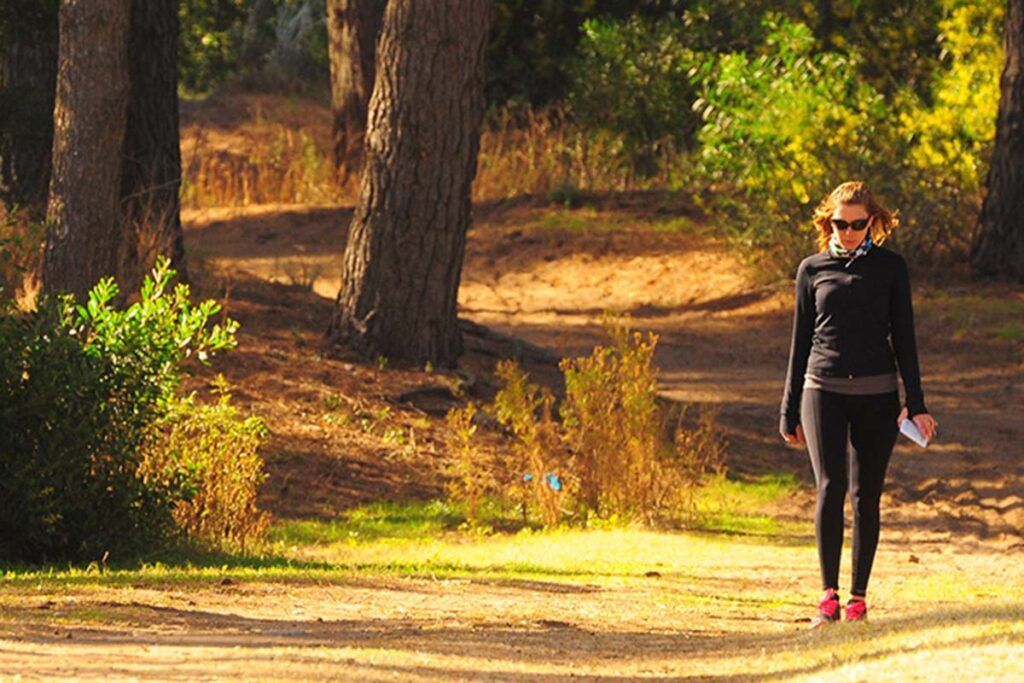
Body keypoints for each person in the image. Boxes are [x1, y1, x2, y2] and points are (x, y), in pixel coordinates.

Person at [778, 181, 937, 628]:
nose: (847, 232)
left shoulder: (891, 268)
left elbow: (905, 337)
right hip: (821, 389)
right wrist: (789, 408)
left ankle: (858, 600)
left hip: (878, 395)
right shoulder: (811, 269)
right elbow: (799, 342)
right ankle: (827, 597)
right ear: (827, 221)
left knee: (867, 495)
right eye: (839, 223)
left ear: (873, 222)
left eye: (857, 224)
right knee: (831, 488)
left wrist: (917, 402)